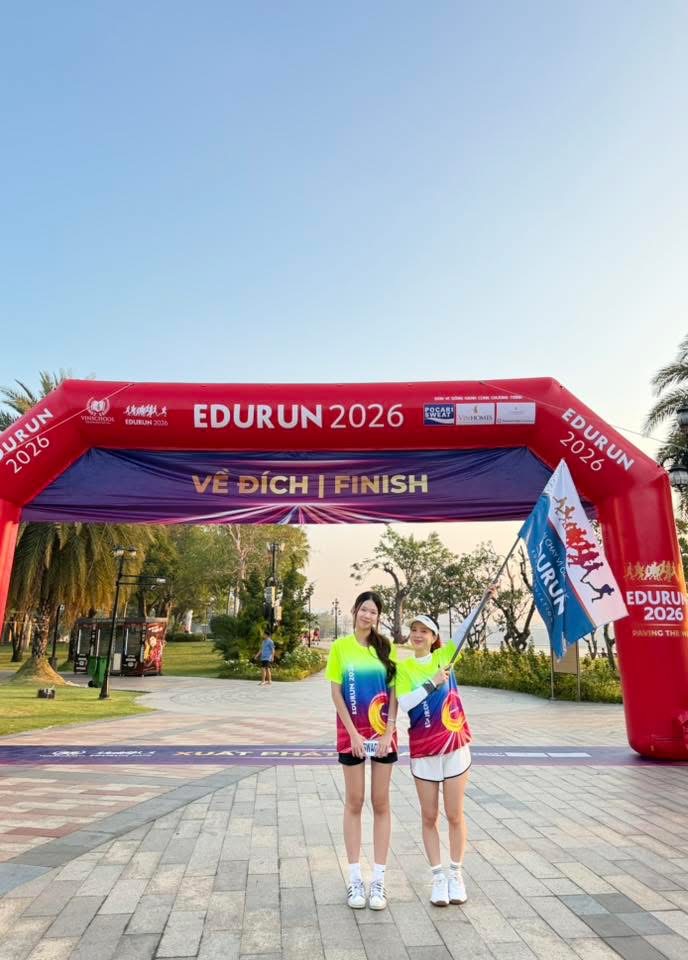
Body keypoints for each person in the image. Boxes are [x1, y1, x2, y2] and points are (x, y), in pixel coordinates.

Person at [395, 587, 497, 908]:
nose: (417, 635)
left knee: (454, 814)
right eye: (414, 630)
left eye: (424, 631)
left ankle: (456, 874)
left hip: (454, 747)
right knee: (429, 816)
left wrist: (484, 598)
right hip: (424, 751)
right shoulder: (404, 669)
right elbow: (405, 703)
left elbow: (466, 628)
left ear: (434, 637)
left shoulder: (445, 657)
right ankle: (438, 878)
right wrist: (433, 682)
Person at [325, 590, 398, 911]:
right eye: (364, 609)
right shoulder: (340, 648)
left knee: (380, 803)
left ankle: (378, 881)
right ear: (355, 610)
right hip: (351, 736)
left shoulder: (385, 648)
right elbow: (336, 693)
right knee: (354, 802)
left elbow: (394, 694)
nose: (368, 616)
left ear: (378, 617)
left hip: (383, 736)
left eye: (374, 612)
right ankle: (355, 878)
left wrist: (389, 731)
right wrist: (354, 734)